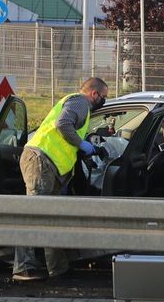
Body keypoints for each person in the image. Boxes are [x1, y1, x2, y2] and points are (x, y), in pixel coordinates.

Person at [12, 77, 109, 282]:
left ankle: (58, 269)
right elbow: (63, 124)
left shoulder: (79, 105)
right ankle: (23, 268)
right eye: (104, 97)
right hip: (41, 161)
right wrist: (83, 145)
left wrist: (83, 151)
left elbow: (67, 135)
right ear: (94, 93)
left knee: (50, 218)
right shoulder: (80, 102)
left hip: (49, 165)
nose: (104, 101)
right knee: (33, 215)